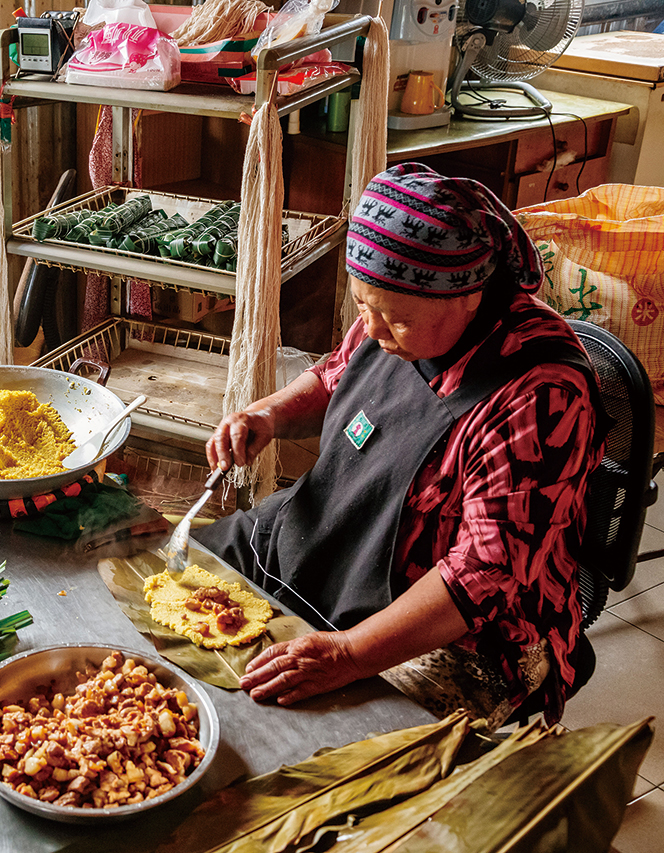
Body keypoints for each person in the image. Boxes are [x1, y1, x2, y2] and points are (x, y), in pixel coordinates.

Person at [197, 163, 603, 725]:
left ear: (469, 295)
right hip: (336, 543)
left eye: (396, 319)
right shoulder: (389, 309)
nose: (374, 330)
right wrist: (267, 415)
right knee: (181, 582)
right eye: (365, 306)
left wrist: (348, 654)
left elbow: (484, 573)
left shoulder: (544, 396)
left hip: (464, 633)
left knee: (331, 735)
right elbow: (335, 375)